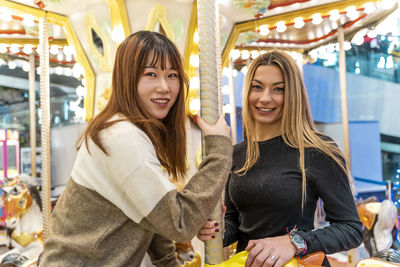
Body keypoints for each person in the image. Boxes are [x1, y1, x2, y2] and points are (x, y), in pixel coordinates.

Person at [39, 31, 232, 266]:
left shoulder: (128, 131)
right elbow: (179, 222)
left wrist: (169, 261)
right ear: (127, 79)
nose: (165, 87)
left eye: (172, 75)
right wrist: (219, 150)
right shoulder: (121, 136)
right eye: (151, 74)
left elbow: (150, 215)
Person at [197, 50, 363, 267]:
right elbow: (236, 225)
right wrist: (214, 229)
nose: (265, 98)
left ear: (293, 95)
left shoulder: (315, 150)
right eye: (257, 87)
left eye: (278, 89)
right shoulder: (236, 154)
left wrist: (292, 242)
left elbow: (350, 229)